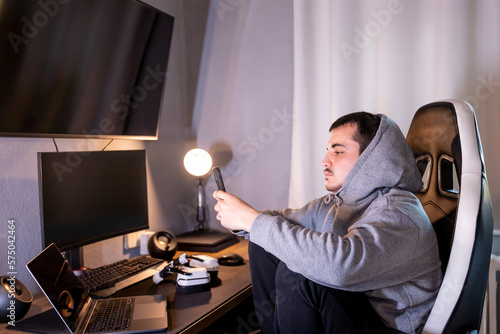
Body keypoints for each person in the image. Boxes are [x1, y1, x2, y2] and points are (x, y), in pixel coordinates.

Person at [213, 112, 442, 334]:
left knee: (301, 278)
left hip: (391, 327)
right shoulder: (339, 203)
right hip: (358, 309)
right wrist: (243, 218)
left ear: (372, 158)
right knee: (264, 244)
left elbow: (341, 267)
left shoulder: (399, 212)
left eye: (338, 151)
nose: (324, 161)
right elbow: (284, 221)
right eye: (327, 151)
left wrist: (253, 221)